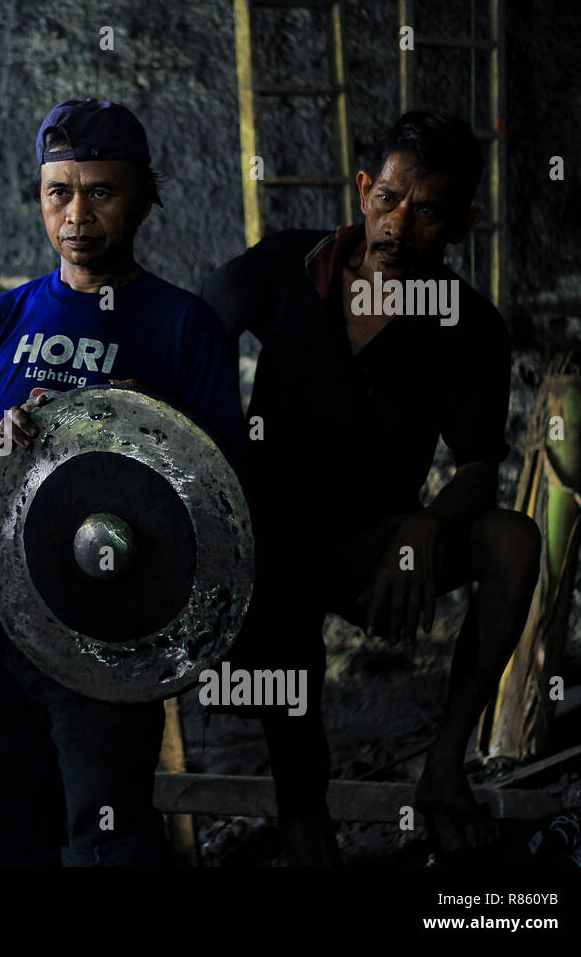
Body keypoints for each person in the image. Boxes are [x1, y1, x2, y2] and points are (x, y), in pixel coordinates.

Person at [199, 111, 541, 864]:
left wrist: (422, 526)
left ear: (463, 222)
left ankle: (444, 769)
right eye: (387, 198)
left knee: (514, 539)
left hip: (375, 545)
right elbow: (195, 330)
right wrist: (216, 460)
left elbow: (479, 467)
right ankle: (304, 815)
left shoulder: (467, 324)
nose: (397, 224)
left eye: (425, 211)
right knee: (279, 600)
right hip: (267, 537)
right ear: (363, 189)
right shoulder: (291, 265)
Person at [0, 98, 247, 866]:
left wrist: (152, 429)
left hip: (113, 646)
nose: (76, 213)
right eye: (57, 192)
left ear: (141, 196)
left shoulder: (183, 326)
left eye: (100, 191)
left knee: (105, 845)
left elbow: (226, 501)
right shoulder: (3, 320)